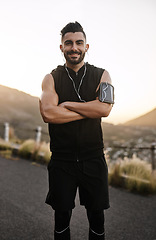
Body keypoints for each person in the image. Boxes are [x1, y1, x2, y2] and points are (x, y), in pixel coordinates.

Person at [40, 21, 114, 240]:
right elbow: (48, 114)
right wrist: (90, 109)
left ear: (86, 47)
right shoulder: (50, 78)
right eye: (69, 43)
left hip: (93, 158)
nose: (74, 47)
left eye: (79, 43)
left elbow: (105, 109)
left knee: (97, 219)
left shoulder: (102, 75)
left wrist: (68, 105)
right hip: (62, 161)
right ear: (61, 47)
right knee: (61, 219)